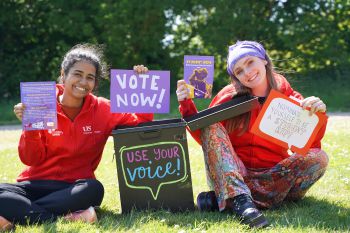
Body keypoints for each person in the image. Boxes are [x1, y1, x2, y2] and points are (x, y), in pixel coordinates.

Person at [0, 44, 153, 231]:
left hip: (75, 188)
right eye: (77, 74)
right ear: (63, 75)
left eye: (90, 78)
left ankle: (18, 214)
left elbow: (140, 124)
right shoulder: (41, 103)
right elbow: (30, 159)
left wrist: (142, 86)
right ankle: (72, 217)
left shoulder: (104, 109)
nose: (83, 81)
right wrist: (30, 126)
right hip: (35, 184)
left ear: (95, 84)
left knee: (94, 189)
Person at [176, 40, 328, 228]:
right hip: (235, 175)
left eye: (250, 62)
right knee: (211, 124)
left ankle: (228, 201)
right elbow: (207, 137)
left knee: (319, 158)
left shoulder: (288, 96)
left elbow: (310, 145)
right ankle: (241, 201)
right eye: (239, 71)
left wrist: (316, 113)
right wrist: (186, 105)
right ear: (235, 77)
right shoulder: (228, 96)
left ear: (263, 60)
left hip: (274, 179)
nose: (247, 72)